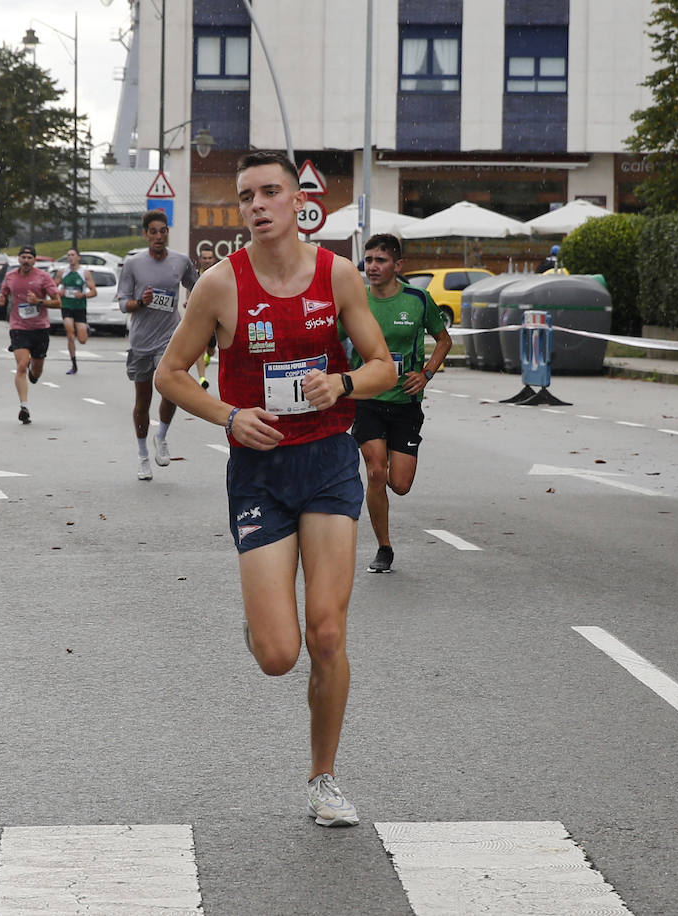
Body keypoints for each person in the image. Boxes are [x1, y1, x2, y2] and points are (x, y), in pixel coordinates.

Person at [155, 151, 396, 828]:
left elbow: (381, 364)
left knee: (326, 633)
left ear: (298, 204)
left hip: (325, 463)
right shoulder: (220, 285)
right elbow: (170, 375)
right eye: (245, 196)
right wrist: (230, 416)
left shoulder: (338, 275)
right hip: (259, 473)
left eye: (269, 192)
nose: (256, 205)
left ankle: (323, 779)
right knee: (279, 654)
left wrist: (342, 384)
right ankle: (263, 627)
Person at [349, 234, 452, 574]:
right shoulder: (355, 300)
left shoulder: (418, 299)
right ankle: (384, 547)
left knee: (401, 484)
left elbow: (443, 340)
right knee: (376, 471)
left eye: (380, 260)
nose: (372, 266)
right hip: (367, 400)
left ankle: (389, 483)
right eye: (369, 260)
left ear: (398, 265)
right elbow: (330, 339)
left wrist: (426, 374)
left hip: (405, 401)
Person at [116, 210, 199, 480]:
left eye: (163, 231)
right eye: (153, 231)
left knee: (171, 391)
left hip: (170, 338)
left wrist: (192, 301)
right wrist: (141, 301)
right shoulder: (133, 264)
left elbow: (196, 286)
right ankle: (142, 457)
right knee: (143, 401)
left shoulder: (180, 261)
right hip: (141, 341)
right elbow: (122, 304)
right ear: (145, 234)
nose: (159, 236)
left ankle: (161, 436)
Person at [0, 245, 61, 424]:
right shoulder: (10, 277)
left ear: (34, 260)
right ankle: (24, 406)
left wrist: (38, 301)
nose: (26, 260)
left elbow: (58, 302)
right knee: (22, 365)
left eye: (29, 258)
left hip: (40, 328)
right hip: (19, 327)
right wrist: (1, 300)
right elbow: (3, 294)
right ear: (18, 259)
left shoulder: (43, 277)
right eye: (23, 257)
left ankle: (35, 374)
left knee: (36, 369)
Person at [55, 249, 97, 375]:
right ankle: (74, 365)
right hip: (66, 306)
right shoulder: (62, 272)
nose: (70, 257)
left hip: (80, 307)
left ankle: (85, 329)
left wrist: (83, 295)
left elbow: (94, 292)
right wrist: (59, 292)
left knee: (82, 340)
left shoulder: (85, 273)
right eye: (68, 255)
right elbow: (52, 287)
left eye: (73, 255)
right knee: (70, 335)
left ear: (78, 257)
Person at [192, 241, 220, 390]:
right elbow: (190, 294)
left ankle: (208, 358)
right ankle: (202, 378)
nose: (207, 260)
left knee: (211, 349)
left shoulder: (220, 275)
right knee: (199, 349)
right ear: (200, 259)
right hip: (200, 319)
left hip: (216, 319)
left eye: (210, 258)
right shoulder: (195, 276)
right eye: (205, 258)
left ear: (214, 259)